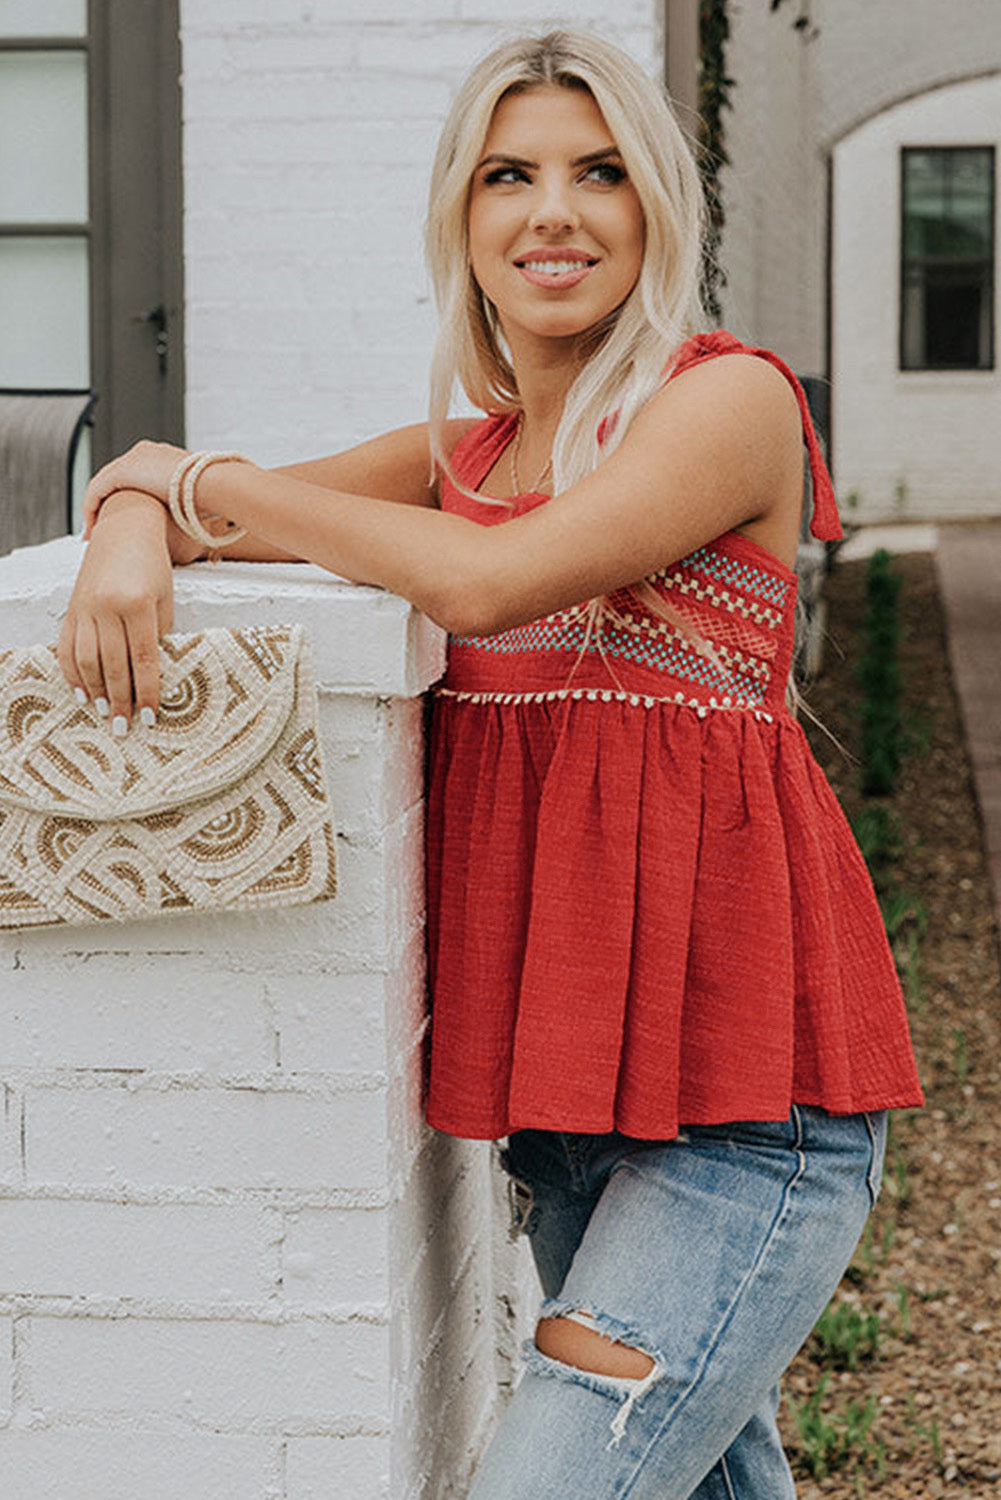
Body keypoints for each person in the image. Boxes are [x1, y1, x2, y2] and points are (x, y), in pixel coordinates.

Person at [61, 30, 924, 1499]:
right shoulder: (465, 451)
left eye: (599, 175)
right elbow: (155, 486)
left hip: (745, 1119)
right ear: (460, 220)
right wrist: (143, 521)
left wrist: (200, 489)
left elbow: (484, 585)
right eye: (507, 175)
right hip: (576, 1108)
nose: (552, 213)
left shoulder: (728, 401)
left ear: (656, 210)